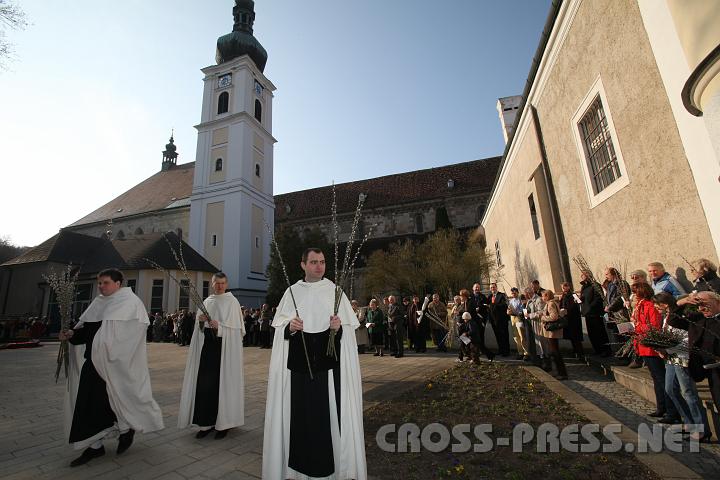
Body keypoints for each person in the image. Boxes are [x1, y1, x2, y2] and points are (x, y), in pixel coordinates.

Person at [262, 248, 366, 480]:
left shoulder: (335, 291)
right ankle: (296, 470)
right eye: (313, 262)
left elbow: (349, 333)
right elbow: (280, 330)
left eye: (322, 262)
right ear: (303, 265)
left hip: (329, 373)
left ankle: (334, 467)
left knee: (328, 417)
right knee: (301, 418)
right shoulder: (292, 292)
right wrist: (290, 327)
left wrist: (338, 328)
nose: (319, 266)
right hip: (299, 371)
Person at [61, 269, 164, 467]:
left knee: (116, 400)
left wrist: (110, 349)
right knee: (89, 405)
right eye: (99, 283)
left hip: (117, 365)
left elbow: (132, 337)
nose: (101, 286)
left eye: (105, 283)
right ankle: (95, 446)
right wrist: (72, 334)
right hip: (93, 365)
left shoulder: (131, 304)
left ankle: (126, 430)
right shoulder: (98, 303)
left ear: (118, 283)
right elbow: (86, 333)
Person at [178, 272, 245, 439]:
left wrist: (220, 327)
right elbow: (198, 330)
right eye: (217, 283)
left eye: (223, 283)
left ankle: (224, 424)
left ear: (227, 284)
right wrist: (201, 322)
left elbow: (238, 331)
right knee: (205, 386)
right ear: (213, 284)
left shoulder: (232, 302)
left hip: (224, 350)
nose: (220, 286)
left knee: (222, 385)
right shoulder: (207, 302)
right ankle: (205, 423)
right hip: (207, 350)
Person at [653, 292, 710, 442]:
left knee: (688, 392)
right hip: (672, 357)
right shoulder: (668, 316)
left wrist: (666, 348)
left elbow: (687, 338)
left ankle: (701, 429)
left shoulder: (680, 316)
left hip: (682, 357)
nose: (656, 308)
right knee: (670, 389)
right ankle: (689, 422)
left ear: (665, 304)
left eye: (657, 305)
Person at [632, 282, 681, 424]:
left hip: (652, 347)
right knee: (656, 378)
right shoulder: (640, 306)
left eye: (635, 293)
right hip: (644, 345)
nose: (634, 296)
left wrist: (636, 325)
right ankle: (661, 407)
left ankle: (671, 411)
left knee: (662, 379)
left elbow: (653, 327)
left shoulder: (649, 306)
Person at [685, 291, 720, 418]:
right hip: (711, 371)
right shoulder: (699, 320)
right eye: (698, 305)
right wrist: (686, 301)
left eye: (705, 304)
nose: (701, 308)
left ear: (717, 302)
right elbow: (674, 317)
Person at [579, 271, 611, 357]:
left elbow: (598, 298)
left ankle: (605, 350)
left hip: (595, 312)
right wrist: (579, 299)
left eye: (584, 275)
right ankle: (597, 349)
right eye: (581, 275)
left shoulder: (595, 285)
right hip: (587, 313)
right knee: (592, 333)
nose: (582, 276)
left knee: (600, 332)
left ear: (589, 276)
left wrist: (590, 307)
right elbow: (584, 298)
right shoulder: (583, 287)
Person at [540, 290, 568, 380]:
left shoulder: (551, 304)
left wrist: (543, 318)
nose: (542, 298)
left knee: (555, 352)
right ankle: (560, 372)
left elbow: (554, 317)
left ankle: (562, 373)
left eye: (543, 296)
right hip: (552, 332)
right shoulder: (551, 303)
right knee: (554, 352)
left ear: (547, 296)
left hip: (552, 331)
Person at [467, 284, 495, 360]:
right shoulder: (469, 297)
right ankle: (474, 352)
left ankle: (481, 351)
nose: (477, 289)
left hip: (481, 320)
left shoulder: (483, 297)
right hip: (472, 320)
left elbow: (487, 306)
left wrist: (480, 307)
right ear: (473, 288)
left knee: (480, 336)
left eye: (478, 288)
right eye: (476, 287)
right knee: (472, 337)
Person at [524, 286, 549, 370]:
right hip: (532, 324)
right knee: (537, 344)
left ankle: (546, 363)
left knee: (542, 344)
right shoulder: (529, 300)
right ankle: (539, 362)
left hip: (539, 325)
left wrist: (530, 315)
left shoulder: (538, 299)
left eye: (526, 294)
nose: (525, 296)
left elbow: (541, 312)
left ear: (529, 293)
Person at [559, 282, 584, 360]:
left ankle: (580, 353)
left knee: (576, 337)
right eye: (562, 287)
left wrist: (568, 309)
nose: (564, 289)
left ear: (569, 287)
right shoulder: (563, 296)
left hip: (574, 318)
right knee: (571, 337)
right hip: (567, 318)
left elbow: (579, 302)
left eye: (565, 287)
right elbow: (561, 305)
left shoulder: (573, 294)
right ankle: (575, 351)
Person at [487, 283, 510, 356]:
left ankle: (506, 352)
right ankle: (501, 350)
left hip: (502, 320)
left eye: (493, 287)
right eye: (491, 288)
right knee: (498, 336)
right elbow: (488, 307)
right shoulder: (490, 296)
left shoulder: (502, 295)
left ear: (496, 287)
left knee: (504, 336)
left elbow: (504, 305)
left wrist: (493, 305)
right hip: (494, 320)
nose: (492, 289)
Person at [507, 287, 529, 360]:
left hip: (519, 318)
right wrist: (508, 311)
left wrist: (517, 312)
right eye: (512, 293)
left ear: (517, 292)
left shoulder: (521, 300)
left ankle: (526, 353)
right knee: (516, 337)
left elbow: (523, 310)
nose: (513, 294)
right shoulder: (511, 301)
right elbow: (509, 309)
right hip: (512, 318)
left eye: (514, 292)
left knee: (522, 336)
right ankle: (520, 352)